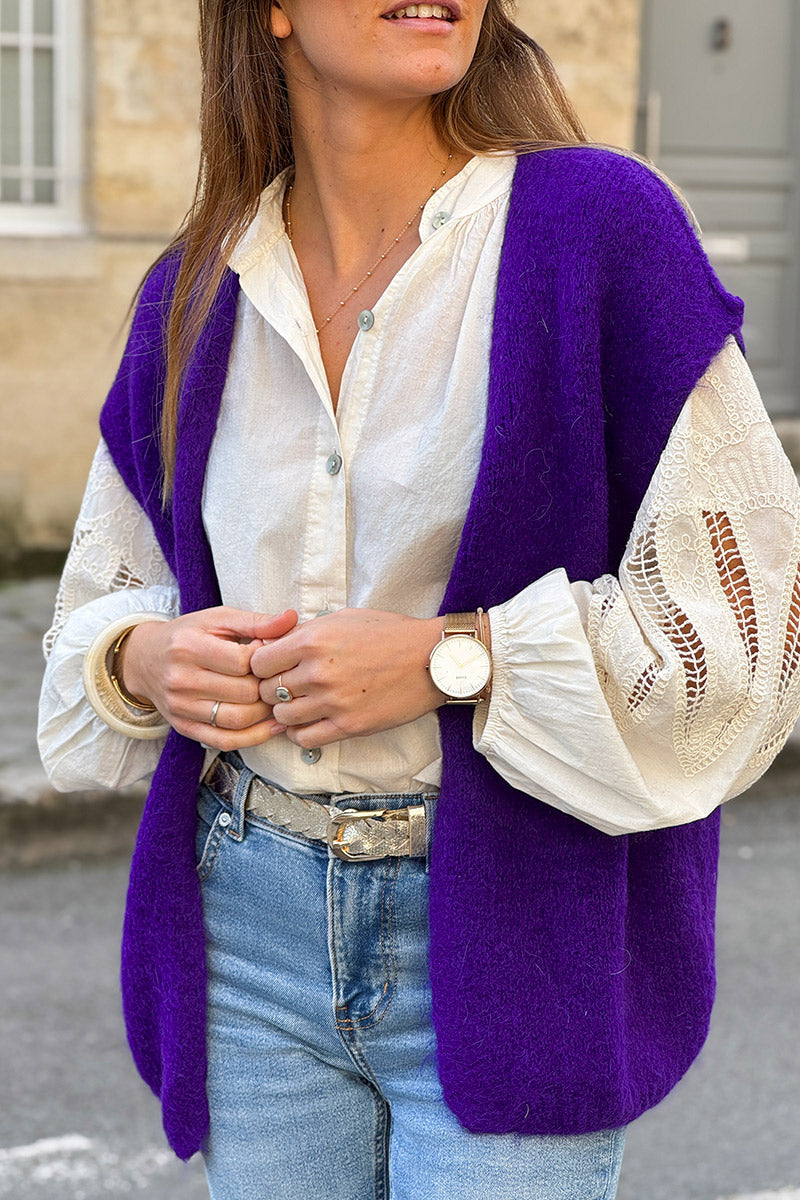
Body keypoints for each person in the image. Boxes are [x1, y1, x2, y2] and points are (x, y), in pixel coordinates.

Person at [38, 2, 800, 1198]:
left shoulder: (598, 232)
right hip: (246, 924)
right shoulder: (197, 286)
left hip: (510, 925)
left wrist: (458, 658)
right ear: (272, 12)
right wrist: (142, 658)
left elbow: (736, 634)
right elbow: (107, 594)